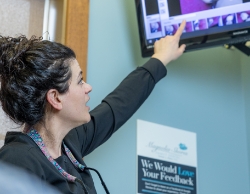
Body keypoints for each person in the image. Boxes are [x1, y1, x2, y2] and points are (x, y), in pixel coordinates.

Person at [0, 20, 186, 194]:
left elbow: (118, 106)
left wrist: (160, 58)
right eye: (80, 81)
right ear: (55, 98)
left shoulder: (70, 143)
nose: (88, 87)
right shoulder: (17, 160)